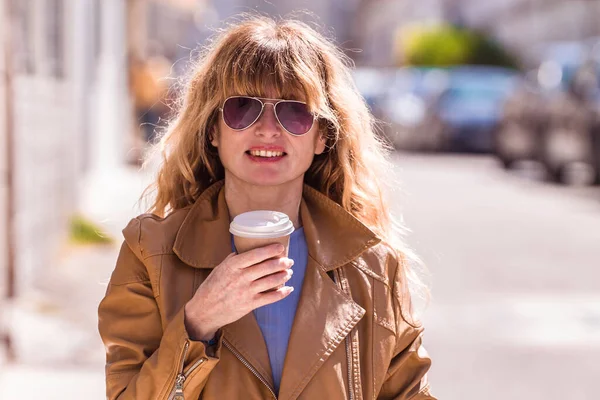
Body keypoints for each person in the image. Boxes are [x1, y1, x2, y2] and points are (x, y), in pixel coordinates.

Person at [98, 15, 435, 400]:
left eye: (294, 112)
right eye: (243, 108)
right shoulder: (150, 251)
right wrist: (198, 323)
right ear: (213, 129)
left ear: (322, 135)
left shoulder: (374, 266)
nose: (268, 130)